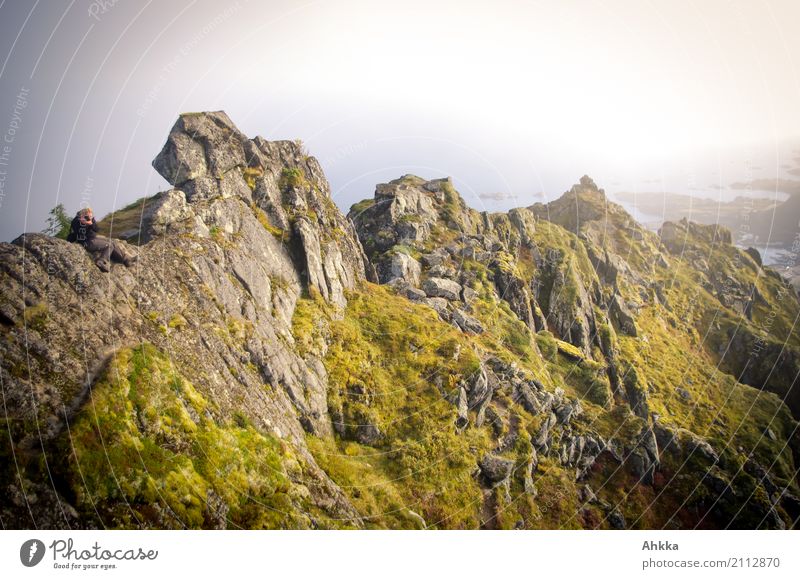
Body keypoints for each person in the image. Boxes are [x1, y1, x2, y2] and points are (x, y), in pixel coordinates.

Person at [66, 207, 137, 272]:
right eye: (87, 216)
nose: (89, 217)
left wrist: (90, 223)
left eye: (91, 216)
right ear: (82, 215)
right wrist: (83, 224)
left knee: (112, 242)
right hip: (87, 242)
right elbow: (78, 235)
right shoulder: (76, 222)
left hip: (93, 238)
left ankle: (126, 260)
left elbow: (97, 229)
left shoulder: (90, 218)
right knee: (109, 246)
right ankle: (101, 261)